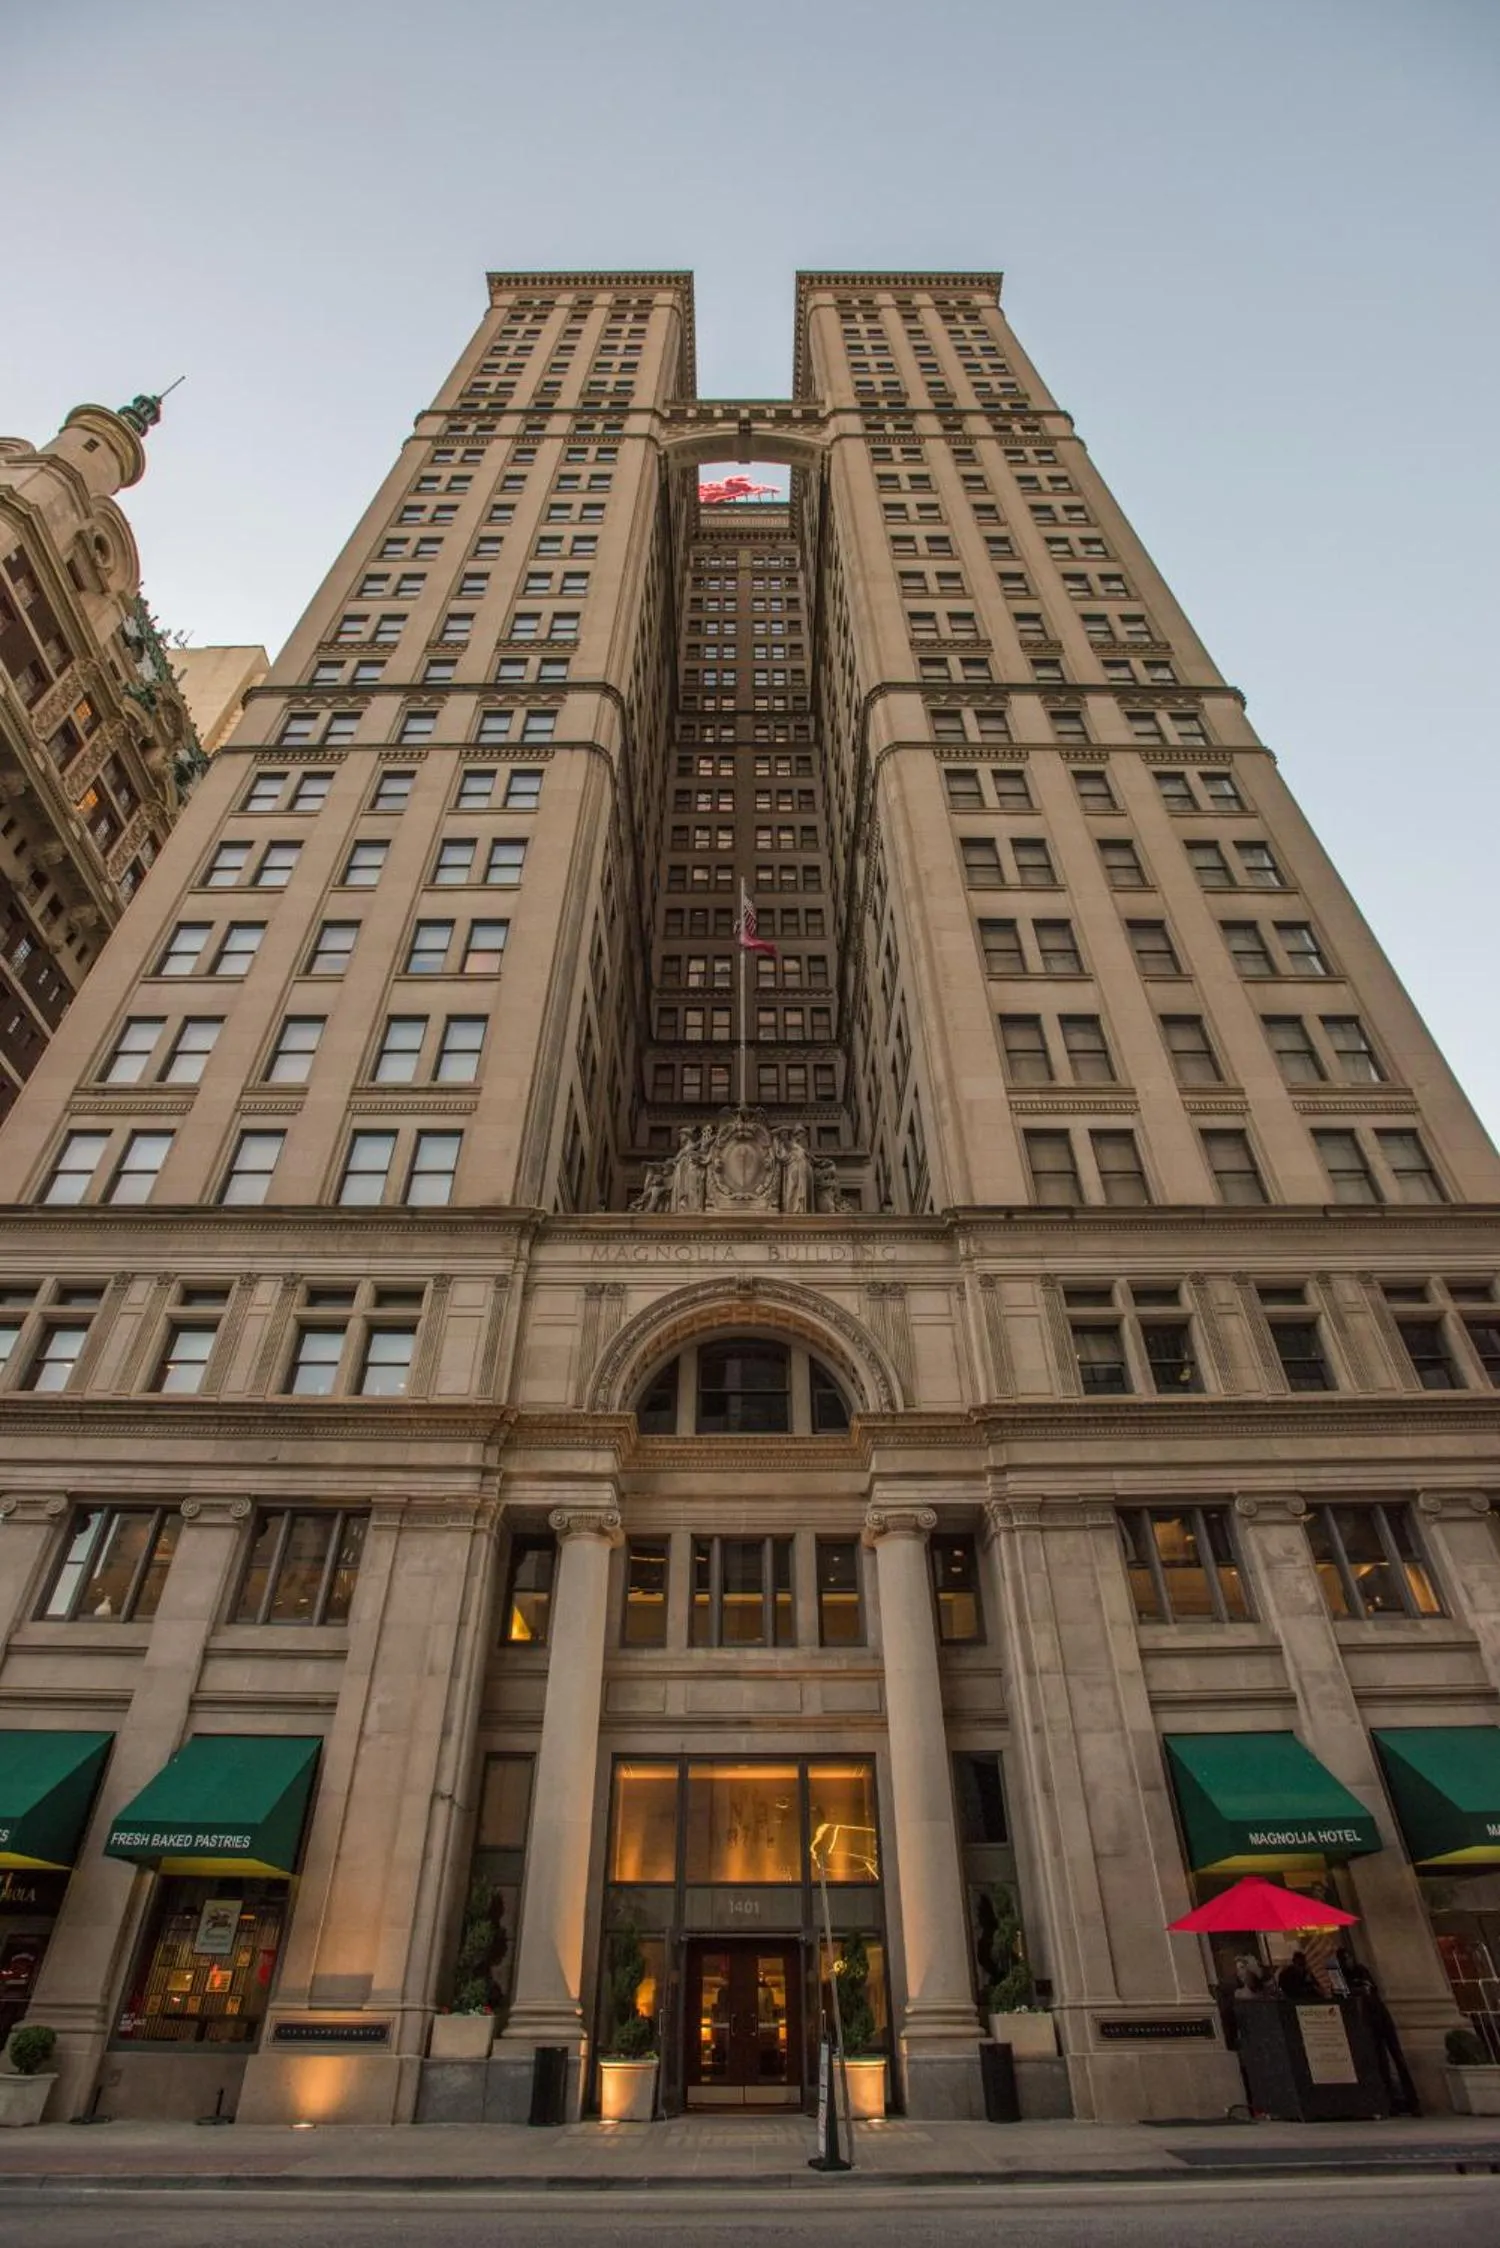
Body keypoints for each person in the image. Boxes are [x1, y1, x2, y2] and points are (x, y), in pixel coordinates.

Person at [1334, 1946, 1420, 2115]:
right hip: (1366, 2021)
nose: (1347, 1962)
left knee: (1396, 2057)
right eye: (1344, 1960)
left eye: (1347, 1958)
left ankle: (1412, 2102)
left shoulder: (1361, 1971)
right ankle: (1390, 2101)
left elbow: (1368, 1989)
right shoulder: (1342, 1976)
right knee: (1380, 2061)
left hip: (1379, 2017)